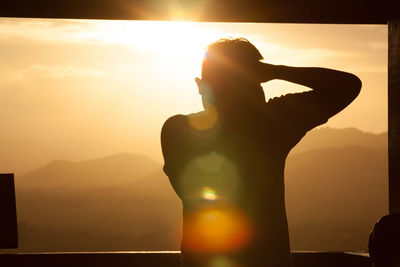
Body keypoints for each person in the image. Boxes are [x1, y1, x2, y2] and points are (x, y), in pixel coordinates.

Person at [161, 38, 361, 267]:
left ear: (200, 85)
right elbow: (347, 85)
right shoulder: (272, 125)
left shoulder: (177, 130)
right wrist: (275, 71)